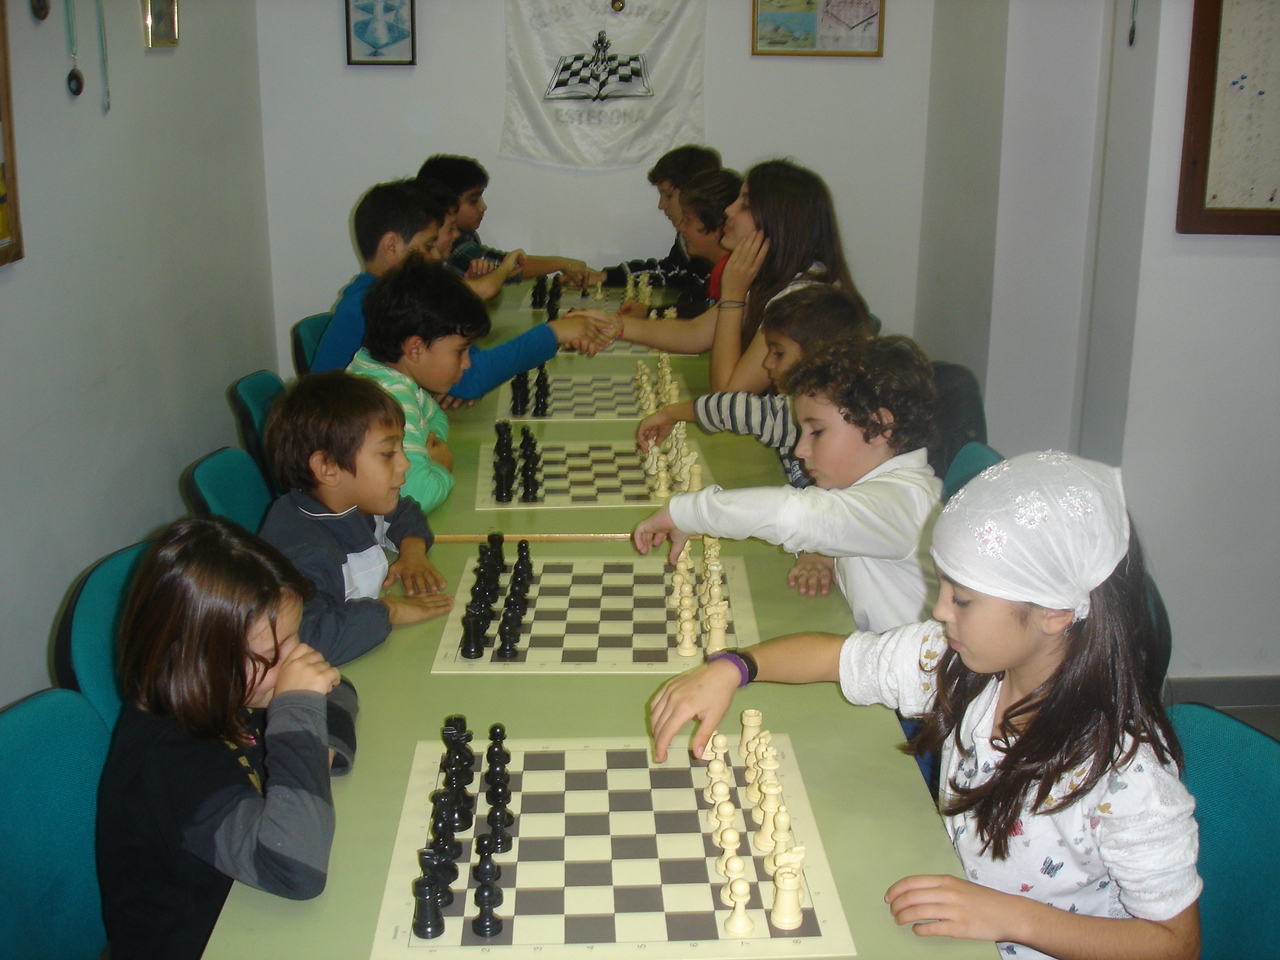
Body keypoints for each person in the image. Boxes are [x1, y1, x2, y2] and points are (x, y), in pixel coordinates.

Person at [648, 452, 1201, 960]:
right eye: (944, 588)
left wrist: (1011, 917)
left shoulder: (1127, 775)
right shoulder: (957, 665)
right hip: (956, 922)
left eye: (963, 599)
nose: (939, 610)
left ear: (1053, 613)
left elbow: (1175, 945)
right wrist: (734, 667)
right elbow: (834, 656)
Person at [97, 516, 359, 960]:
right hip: (203, 940)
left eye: (294, 638)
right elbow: (296, 867)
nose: (295, 660)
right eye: (272, 654)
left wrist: (318, 751)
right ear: (198, 659)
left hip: (249, 913)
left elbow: (338, 687)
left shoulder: (226, 688)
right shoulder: (169, 759)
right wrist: (298, 712)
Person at [633, 335, 941, 633]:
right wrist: (826, 553)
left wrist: (687, 513)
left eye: (816, 432)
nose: (800, 450)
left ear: (879, 426)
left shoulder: (905, 502)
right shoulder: (877, 492)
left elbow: (792, 515)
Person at [576, 159, 865, 393]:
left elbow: (727, 394)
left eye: (745, 204)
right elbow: (695, 333)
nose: (729, 210)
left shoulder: (801, 299)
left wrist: (733, 296)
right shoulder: (775, 277)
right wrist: (616, 325)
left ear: (778, 223)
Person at [311, 179, 611, 395]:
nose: (437, 256)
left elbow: (468, 365)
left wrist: (453, 376)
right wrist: (554, 333)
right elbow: (472, 379)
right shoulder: (371, 306)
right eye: (427, 246)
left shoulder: (394, 296)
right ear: (391, 246)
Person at [259, 371, 455, 666]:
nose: (405, 463)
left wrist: (412, 552)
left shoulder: (348, 501)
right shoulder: (305, 552)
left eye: (401, 448)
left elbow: (404, 511)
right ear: (328, 468)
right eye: (388, 453)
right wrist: (389, 610)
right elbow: (307, 640)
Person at [347, 254, 488, 514]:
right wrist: (440, 465)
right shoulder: (392, 397)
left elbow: (435, 416)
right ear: (415, 349)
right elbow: (415, 496)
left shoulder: (378, 367)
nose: (467, 363)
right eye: (460, 351)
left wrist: (425, 449)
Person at [587, 145, 724, 315]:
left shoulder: (720, 253)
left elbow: (705, 311)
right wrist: (605, 276)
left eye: (668, 195)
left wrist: (652, 313)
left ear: (694, 194)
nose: (661, 205)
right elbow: (667, 271)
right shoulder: (687, 238)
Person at [417, 153, 591, 283]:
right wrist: (562, 264)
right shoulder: (449, 244)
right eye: (473, 201)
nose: (483, 207)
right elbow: (504, 266)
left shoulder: (466, 235)